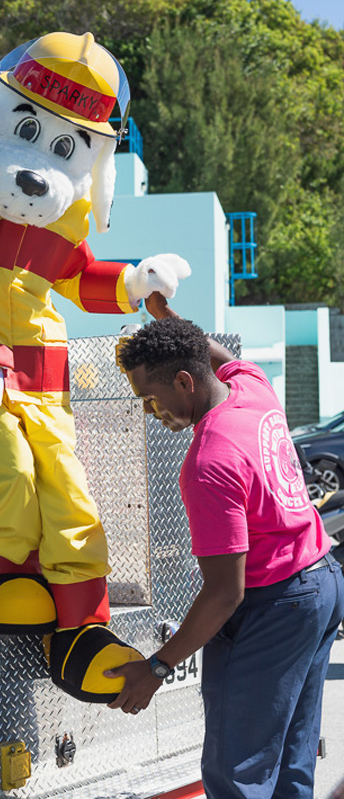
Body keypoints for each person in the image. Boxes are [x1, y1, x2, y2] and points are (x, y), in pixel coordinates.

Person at [106, 292, 344, 798]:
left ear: (185, 382)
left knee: (238, 770)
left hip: (274, 604)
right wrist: (172, 322)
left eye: (151, 398)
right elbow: (210, 351)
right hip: (322, 582)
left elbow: (223, 594)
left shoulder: (208, 463)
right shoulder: (252, 387)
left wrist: (157, 667)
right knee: (288, 762)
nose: (151, 412)